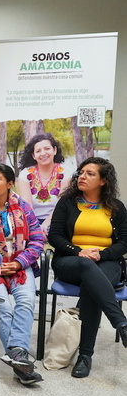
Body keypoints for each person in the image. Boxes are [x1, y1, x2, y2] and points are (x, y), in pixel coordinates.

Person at [47, 157, 127, 378]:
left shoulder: (117, 208)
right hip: (71, 261)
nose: (82, 176)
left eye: (90, 174)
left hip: (107, 262)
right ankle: (120, 322)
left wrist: (101, 254)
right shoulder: (67, 203)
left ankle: (85, 356)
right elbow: (54, 236)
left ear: (103, 180)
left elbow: (124, 243)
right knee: (86, 267)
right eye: (81, 172)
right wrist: (78, 251)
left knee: (92, 284)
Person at [0, 163, 45, 385]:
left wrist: (19, 263)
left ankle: (16, 356)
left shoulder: (23, 207)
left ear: (10, 183)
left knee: (25, 301)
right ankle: (21, 363)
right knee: (3, 307)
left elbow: (38, 240)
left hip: (19, 267)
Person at [17, 134, 71, 230]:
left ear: (54, 150)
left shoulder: (66, 173)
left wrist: (46, 224)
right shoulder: (25, 174)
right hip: (32, 220)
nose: (43, 153)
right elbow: (27, 205)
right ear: (33, 156)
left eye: (47, 149)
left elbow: (61, 204)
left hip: (58, 220)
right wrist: (36, 227)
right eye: (38, 151)